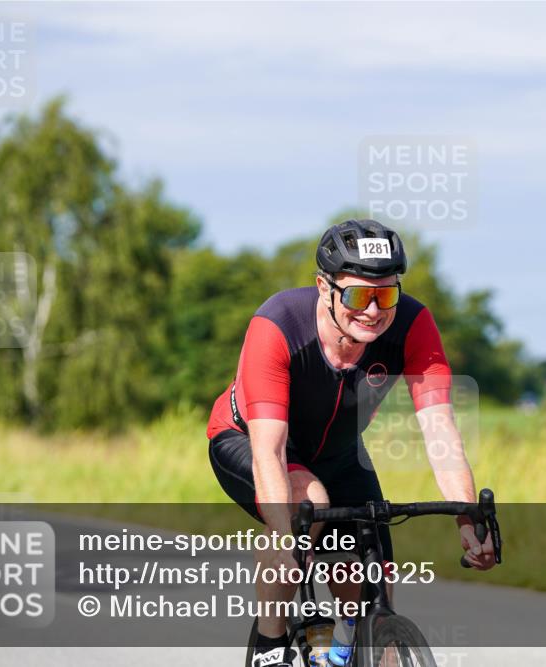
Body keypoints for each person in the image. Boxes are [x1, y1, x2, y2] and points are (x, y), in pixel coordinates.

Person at [207, 219, 495, 667]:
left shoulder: (414, 325)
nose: (374, 311)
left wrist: (465, 518)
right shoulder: (279, 323)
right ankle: (270, 645)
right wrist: (287, 539)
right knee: (310, 502)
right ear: (324, 287)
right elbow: (270, 449)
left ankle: (349, 649)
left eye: (387, 294)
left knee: (373, 606)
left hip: (339, 455)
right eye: (360, 295)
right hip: (246, 438)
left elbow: (441, 432)